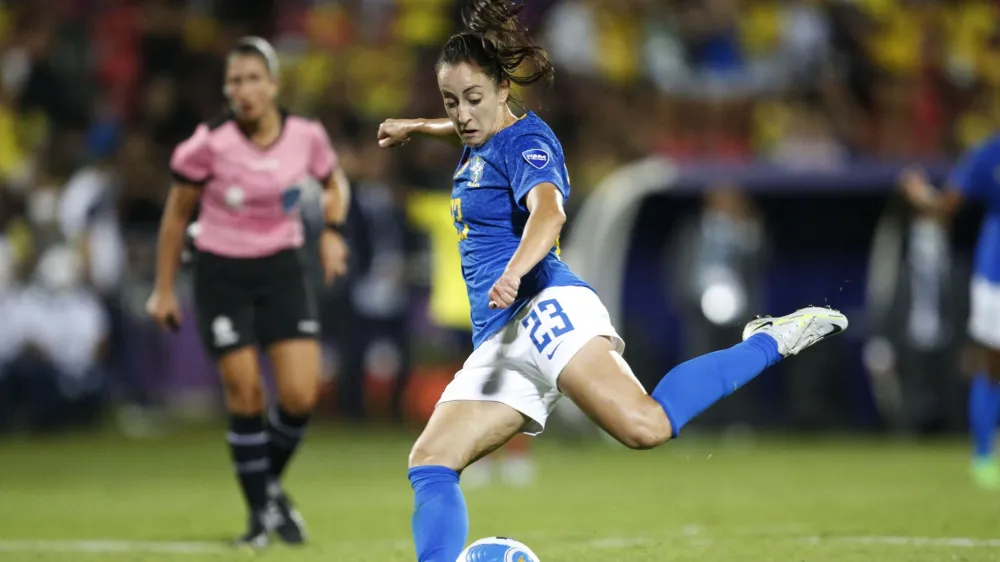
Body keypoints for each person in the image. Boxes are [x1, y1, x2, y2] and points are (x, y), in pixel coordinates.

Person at [376, 2, 848, 560]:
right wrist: (419, 127)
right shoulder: (477, 138)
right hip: (499, 336)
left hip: (546, 306)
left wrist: (513, 271)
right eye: (450, 102)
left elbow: (549, 214)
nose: (461, 114)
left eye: (473, 99)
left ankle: (771, 340)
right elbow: (466, 135)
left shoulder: (529, 145)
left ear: (505, 89)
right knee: (430, 463)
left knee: (644, 427)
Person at [145, 36, 350, 547]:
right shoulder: (206, 144)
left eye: (254, 78)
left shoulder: (306, 136)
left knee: (301, 395)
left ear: (274, 84)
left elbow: (334, 183)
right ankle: (260, 516)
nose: (244, 90)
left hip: (281, 267)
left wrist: (330, 230)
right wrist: (164, 289)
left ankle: (268, 487)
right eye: (234, 81)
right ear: (226, 90)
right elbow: (176, 215)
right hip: (221, 271)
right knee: (246, 393)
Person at [899, 140, 1000, 489]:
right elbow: (946, 206)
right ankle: (984, 454)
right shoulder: (989, 154)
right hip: (995, 277)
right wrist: (921, 194)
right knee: (993, 366)